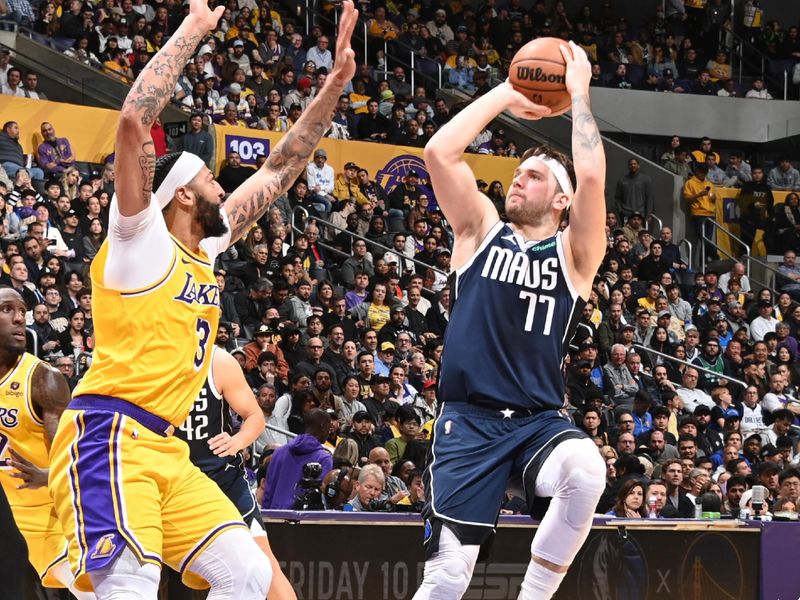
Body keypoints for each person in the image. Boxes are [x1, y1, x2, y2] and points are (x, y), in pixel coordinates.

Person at [46, 0, 359, 596]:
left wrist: (334, 85)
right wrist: (194, 27)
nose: (223, 184)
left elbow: (282, 165)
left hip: (168, 453)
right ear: (182, 196)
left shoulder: (207, 251)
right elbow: (134, 121)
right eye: (209, 179)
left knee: (246, 573)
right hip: (111, 435)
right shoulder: (140, 239)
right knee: (130, 584)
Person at [413, 42, 606, 600]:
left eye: (535, 176)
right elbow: (438, 153)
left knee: (587, 472)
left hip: (536, 421)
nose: (518, 180)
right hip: (468, 421)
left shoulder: (575, 256)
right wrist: (506, 93)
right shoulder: (479, 230)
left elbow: (592, 176)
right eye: (517, 173)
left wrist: (579, 95)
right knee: (448, 578)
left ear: (562, 201)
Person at [176, 347, 295, 600]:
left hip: (222, 477)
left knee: (264, 561)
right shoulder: (147, 358)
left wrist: (239, 439)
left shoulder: (217, 360)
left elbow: (254, 416)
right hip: (173, 482)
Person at [0, 288, 94, 599]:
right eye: (6, 309)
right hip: (4, 516)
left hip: (44, 517)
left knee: (95, 593)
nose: (18, 318)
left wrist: (50, 472)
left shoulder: (44, 379)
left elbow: (70, 456)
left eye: (21, 310)